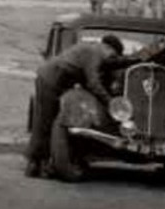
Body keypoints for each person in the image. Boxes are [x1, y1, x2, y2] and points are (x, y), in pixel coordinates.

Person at [25, 33, 126, 178]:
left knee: (46, 121)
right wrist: (110, 102)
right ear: (107, 47)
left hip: (51, 78)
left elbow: (85, 79)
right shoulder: (95, 53)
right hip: (51, 79)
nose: (110, 58)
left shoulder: (89, 49)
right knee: (45, 122)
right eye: (113, 54)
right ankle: (37, 165)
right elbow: (93, 83)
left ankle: (38, 165)